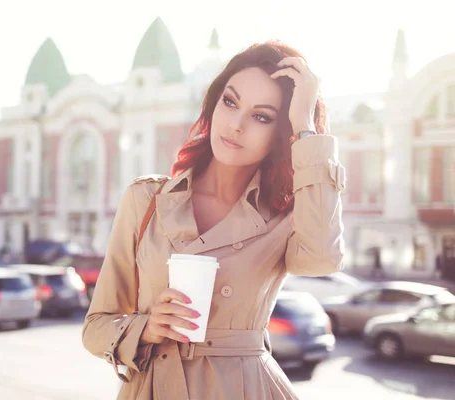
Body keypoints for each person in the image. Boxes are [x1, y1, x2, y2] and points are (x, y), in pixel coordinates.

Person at [82, 41, 345, 400]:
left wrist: (306, 126)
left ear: (281, 134)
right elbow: (96, 327)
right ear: (214, 103)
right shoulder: (146, 200)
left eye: (261, 116)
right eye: (230, 101)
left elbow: (321, 259)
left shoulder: (285, 218)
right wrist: (146, 327)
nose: (235, 125)